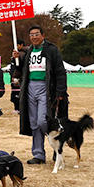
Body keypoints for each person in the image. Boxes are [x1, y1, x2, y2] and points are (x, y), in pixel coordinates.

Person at [14, 26, 68, 164]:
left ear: (43, 35)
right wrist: (17, 60)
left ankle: (57, 142)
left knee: (43, 120)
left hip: (47, 87)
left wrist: (60, 91)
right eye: (31, 35)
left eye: (37, 34)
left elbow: (60, 71)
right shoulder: (28, 51)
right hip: (30, 87)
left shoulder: (51, 49)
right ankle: (38, 154)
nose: (34, 37)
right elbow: (21, 71)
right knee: (33, 122)